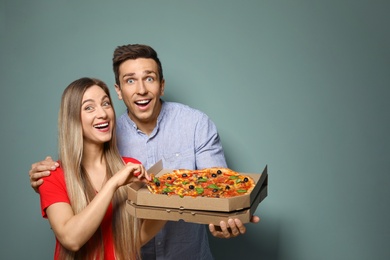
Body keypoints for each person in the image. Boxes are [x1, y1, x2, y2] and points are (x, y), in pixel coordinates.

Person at [29, 44, 260, 259]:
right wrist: (50, 175)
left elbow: (218, 185)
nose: (141, 90)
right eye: (130, 81)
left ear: (161, 84)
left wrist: (227, 217)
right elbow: (72, 237)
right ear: (119, 90)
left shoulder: (194, 124)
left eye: (149, 78)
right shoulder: (109, 148)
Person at [38, 77, 166, 259]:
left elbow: (134, 240)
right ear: (72, 118)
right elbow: (71, 238)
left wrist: (168, 206)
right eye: (89, 107)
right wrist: (114, 183)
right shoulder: (52, 176)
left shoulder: (129, 166)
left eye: (106, 104)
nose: (103, 114)